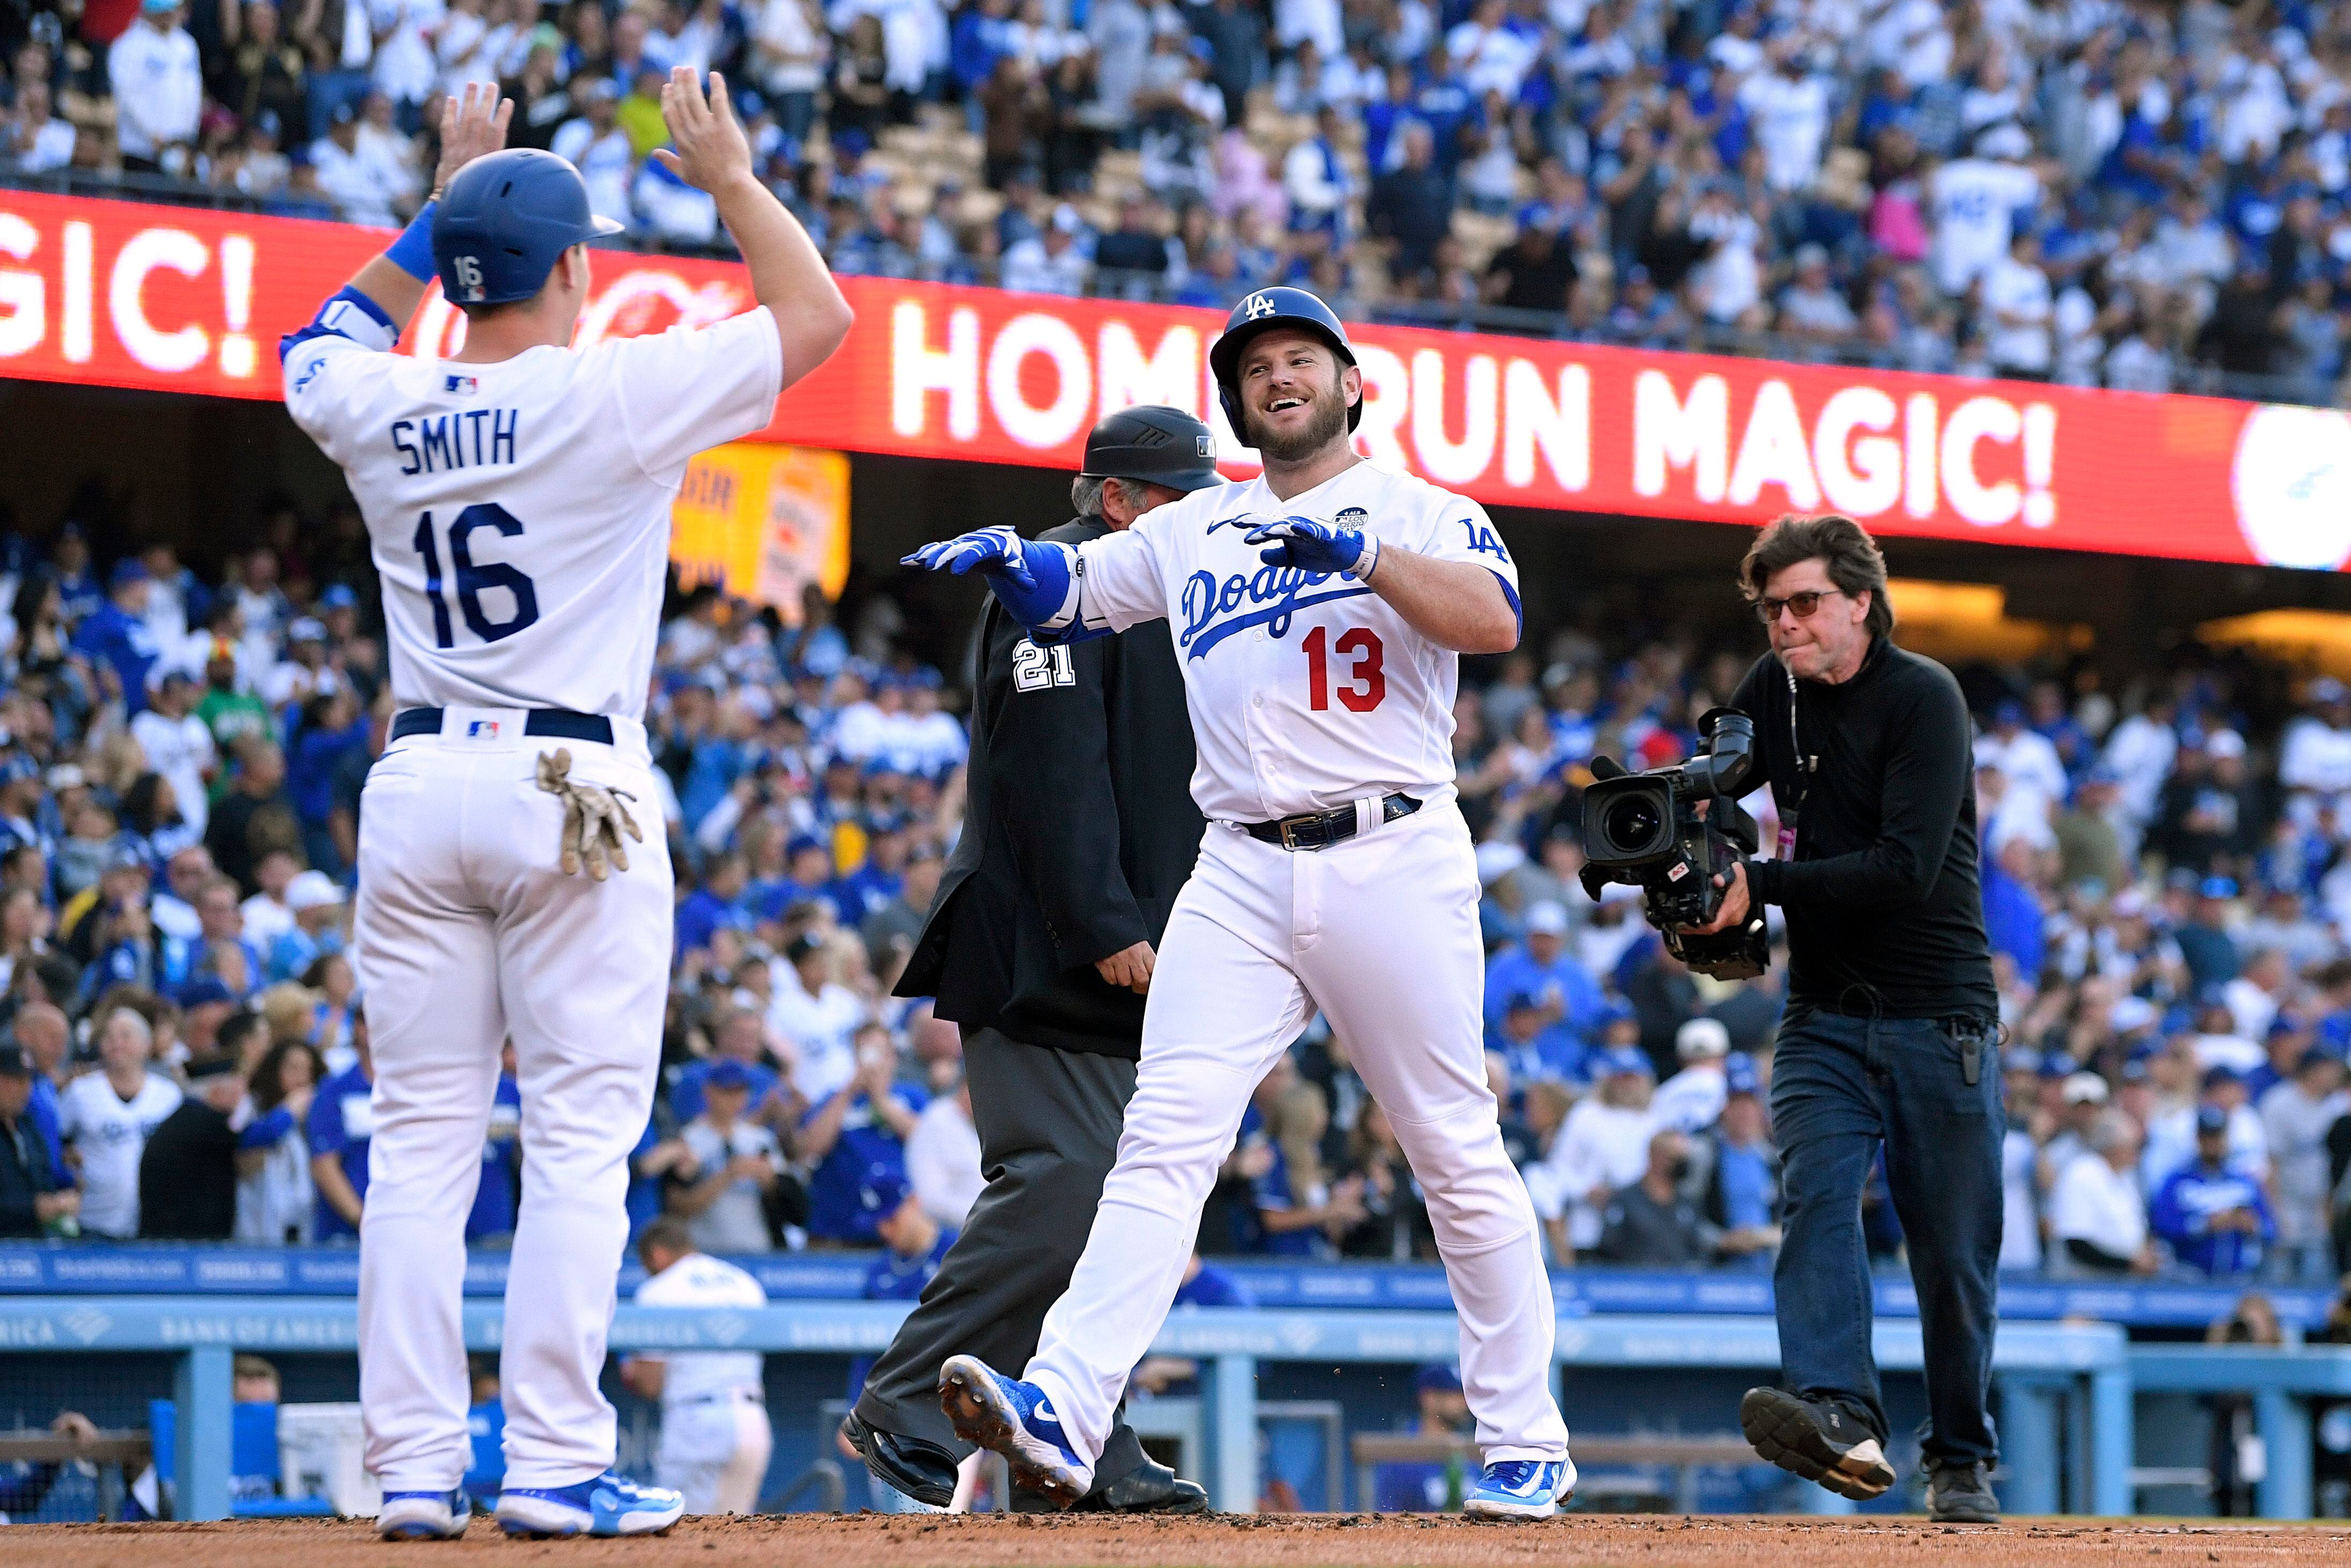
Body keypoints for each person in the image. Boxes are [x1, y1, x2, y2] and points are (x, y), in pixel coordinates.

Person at [278, 72, 848, 1543]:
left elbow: (313, 338)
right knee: (581, 1137)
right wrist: (725, 177)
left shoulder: (382, 396)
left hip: (417, 778)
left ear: (460, 272)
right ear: (579, 268)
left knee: (420, 1142)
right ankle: (548, 1464)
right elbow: (816, 321)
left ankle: (412, 1473)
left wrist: (441, 205)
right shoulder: (610, 382)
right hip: (569, 780)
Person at [907, 286, 1574, 1518]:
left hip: (1392, 849)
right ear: (1235, 400)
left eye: (1301, 356)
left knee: (1450, 1145)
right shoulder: (1196, 526)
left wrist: (1364, 553)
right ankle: (1064, 1394)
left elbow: (1493, 617)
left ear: (1349, 382)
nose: (1279, 373)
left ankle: (1526, 1439)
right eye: (1257, 362)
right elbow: (1075, 586)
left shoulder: (1424, 508)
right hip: (1242, 866)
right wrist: (1017, 563)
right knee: (1164, 1137)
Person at [845, 406, 1219, 1517]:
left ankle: (1082, 1439)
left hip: (1126, 944)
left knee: (1120, 1201)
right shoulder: (1053, 585)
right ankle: (905, 1401)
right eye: (1184, 495)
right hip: (1044, 944)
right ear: (1118, 502)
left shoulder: (1159, 600)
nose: (1202, 514)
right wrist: (1104, 921)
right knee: (1064, 1181)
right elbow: (1048, 774)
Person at [1693, 513, 2002, 1523]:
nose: (1782, 625)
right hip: (1822, 1013)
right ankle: (1836, 1409)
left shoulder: (1924, 697)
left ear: (1859, 602)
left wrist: (1759, 879)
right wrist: (1686, 844)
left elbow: (1905, 871)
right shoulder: (1769, 695)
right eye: (1770, 608)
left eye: (1803, 604)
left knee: (1948, 1257)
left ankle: (1958, 1453)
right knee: (1814, 1199)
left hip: (1938, 1016)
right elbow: (1712, 790)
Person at [618, 1218, 773, 1517]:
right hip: (753, 1421)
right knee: (737, 1536)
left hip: (697, 1423)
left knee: (679, 1533)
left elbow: (650, 1385)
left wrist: (630, 1371)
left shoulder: (658, 1290)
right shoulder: (744, 1282)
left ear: (658, 1254)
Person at [58, 1007, 182, 1239]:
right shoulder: (81, 1092)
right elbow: (56, 1139)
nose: (116, 1043)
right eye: (109, 1037)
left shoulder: (169, 1095)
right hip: (93, 1221)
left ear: (147, 1044)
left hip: (155, 1223)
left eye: (126, 1036)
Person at [2151, 1107, 2277, 1277]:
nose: (2213, 1144)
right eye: (2207, 1137)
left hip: (2237, 1276)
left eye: (2217, 1137)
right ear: (2198, 1139)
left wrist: (2251, 1225)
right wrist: (2205, 1225)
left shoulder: (2243, 1182)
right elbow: (2162, 1225)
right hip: (2189, 1275)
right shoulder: (2178, 1181)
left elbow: (2271, 1229)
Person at [136, 1055, 246, 1238]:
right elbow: (251, 1139)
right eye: (237, 1086)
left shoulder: (186, 1118)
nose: (242, 1095)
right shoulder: (203, 1122)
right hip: (185, 1245)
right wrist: (291, 1109)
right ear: (218, 1090)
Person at [0, 1042, 76, 1238]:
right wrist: (32, 1209)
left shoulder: (29, 1128)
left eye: (28, 1081)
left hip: (35, 1250)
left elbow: (44, 1181)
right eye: (15, 1081)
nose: (25, 1089)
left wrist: (61, 1201)